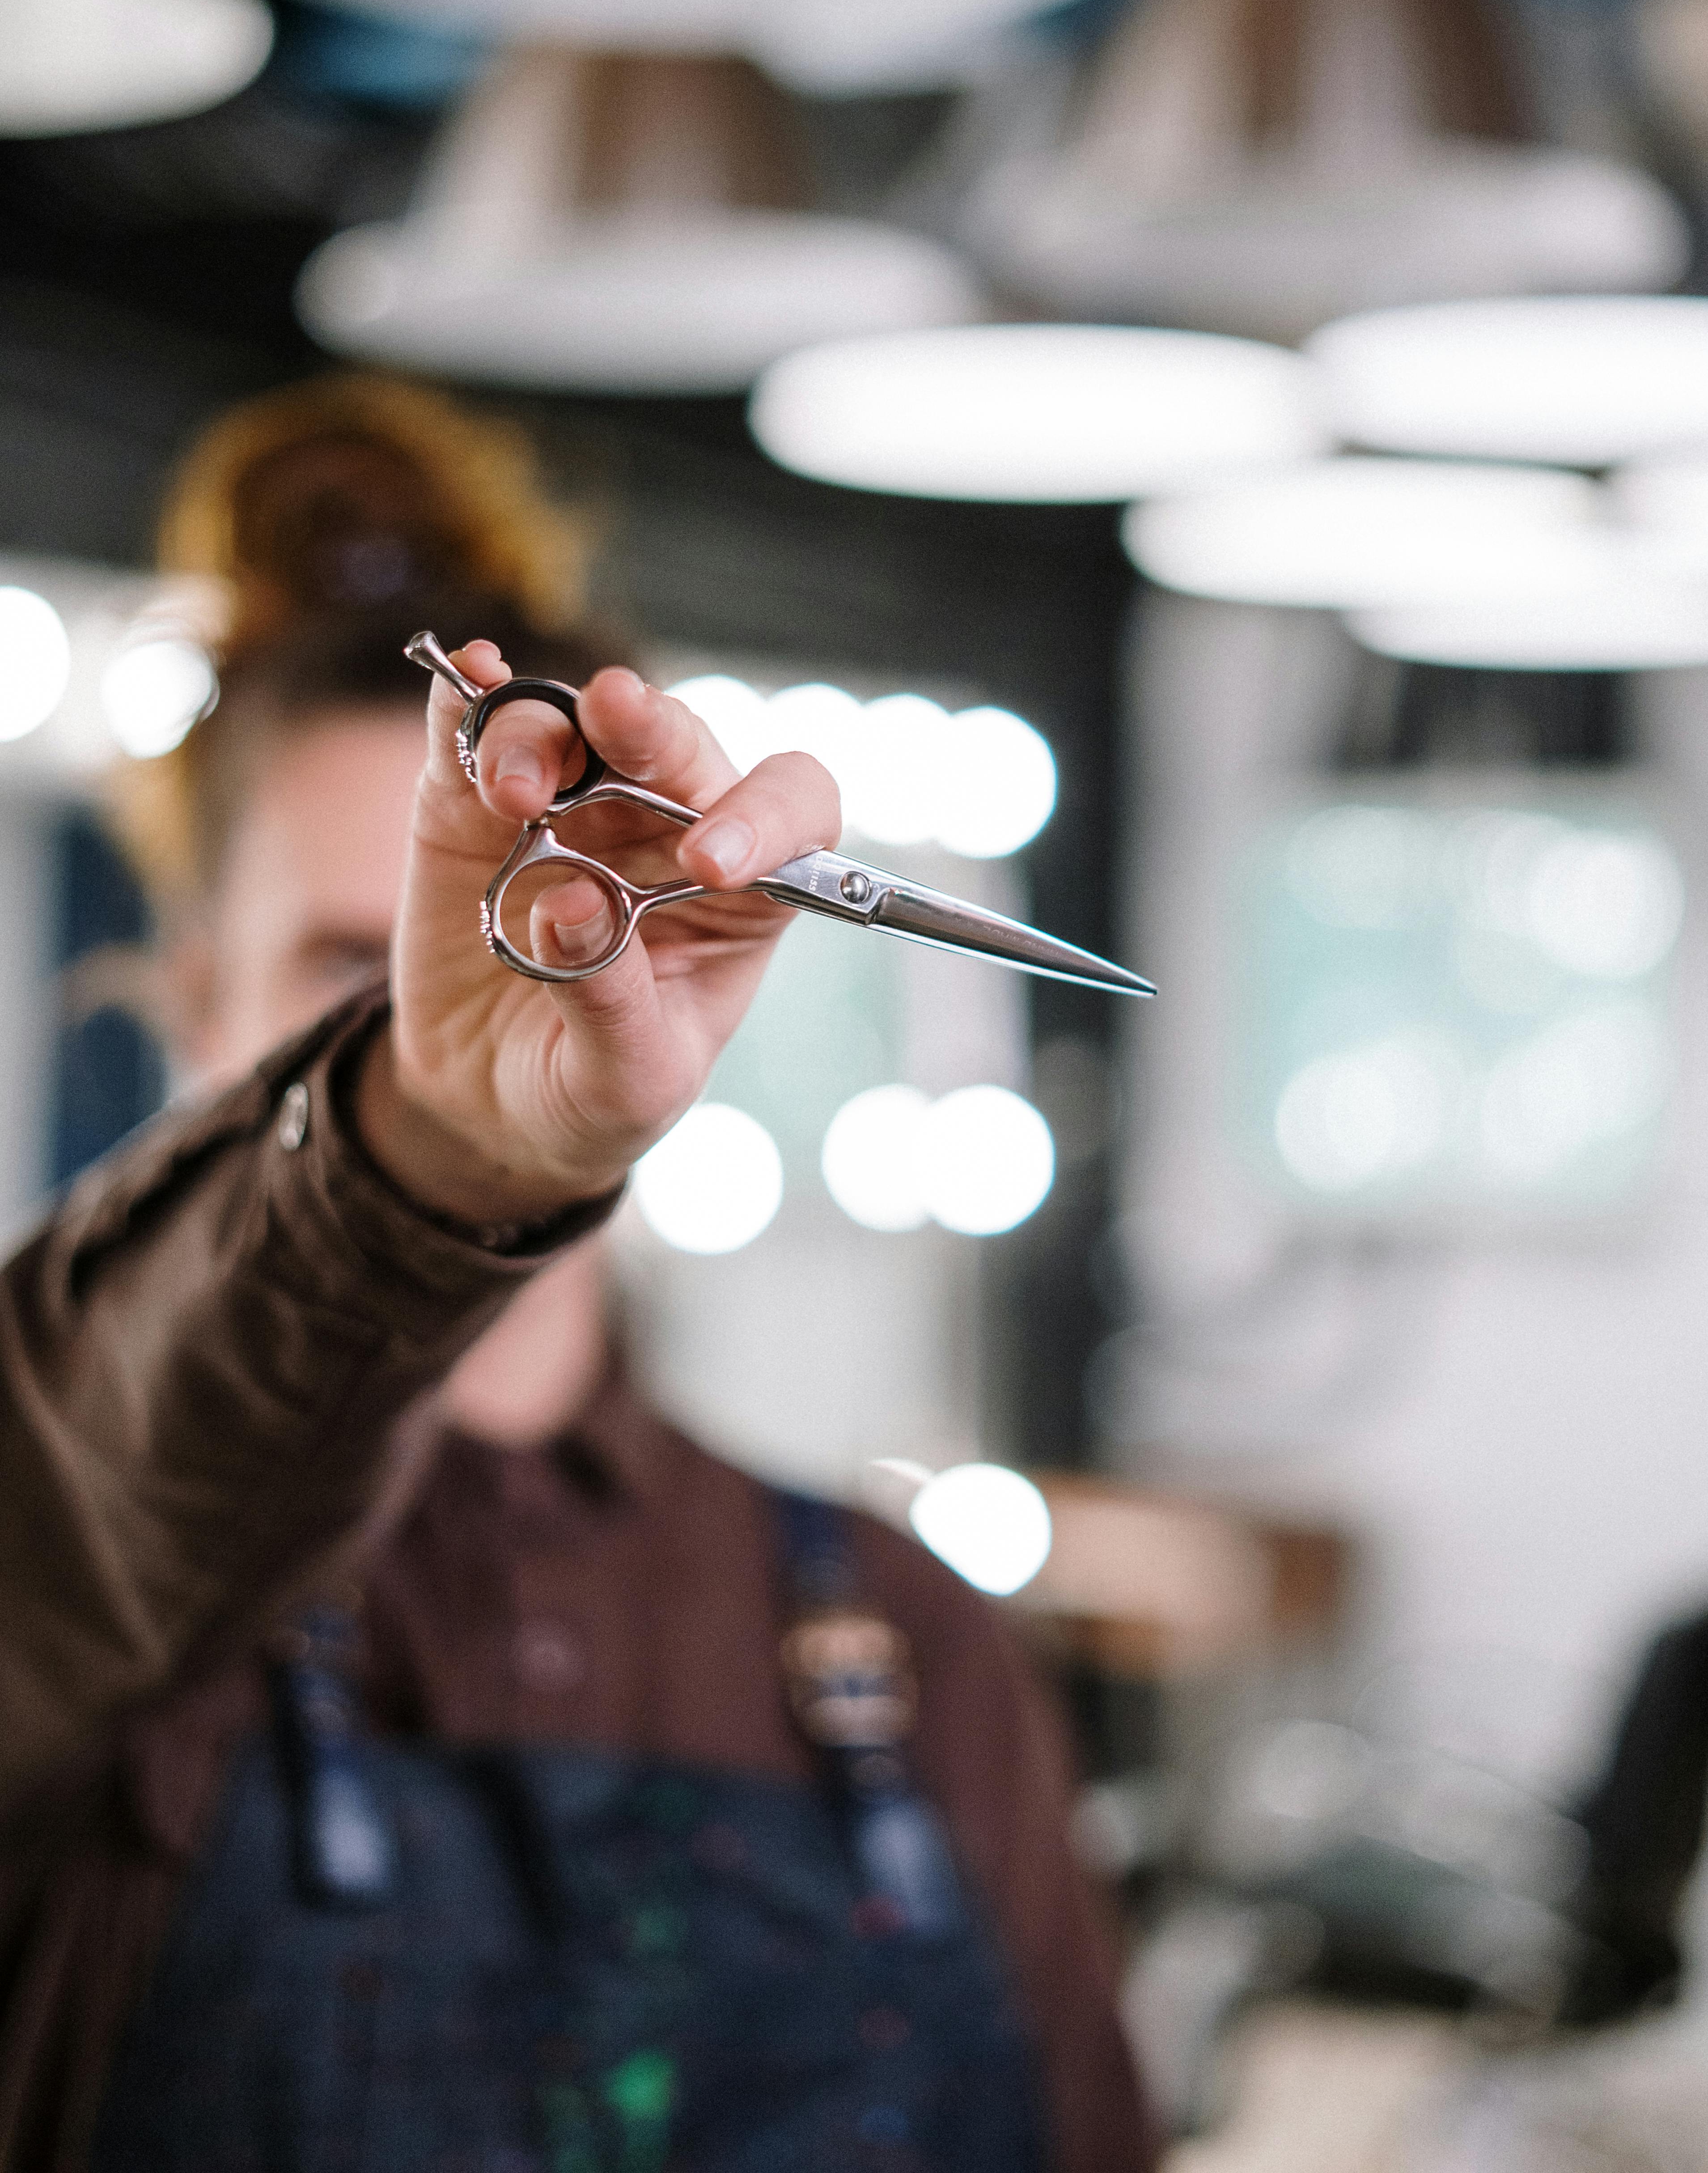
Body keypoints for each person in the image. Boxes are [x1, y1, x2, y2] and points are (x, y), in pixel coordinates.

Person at [0, 377, 1153, 2173]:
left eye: (499, 936)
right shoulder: (67, 1574)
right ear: (197, 1000)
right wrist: (430, 1142)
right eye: (341, 963)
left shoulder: (913, 1646)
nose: (448, 1010)